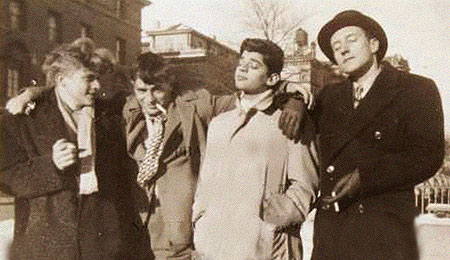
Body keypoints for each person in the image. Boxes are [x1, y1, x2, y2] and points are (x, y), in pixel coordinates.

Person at [5, 49, 307, 259]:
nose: (149, 99)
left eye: (157, 90)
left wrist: (293, 94)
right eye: (142, 90)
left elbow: (247, 98)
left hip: (173, 235)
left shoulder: (196, 106)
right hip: (129, 229)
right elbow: (66, 91)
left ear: (170, 88)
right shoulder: (121, 109)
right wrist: (32, 92)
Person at [304, 10, 445, 260]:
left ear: (373, 44)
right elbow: (301, 135)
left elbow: (427, 156)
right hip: (332, 235)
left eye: (351, 40)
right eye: (336, 47)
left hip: (385, 235)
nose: (343, 50)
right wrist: (293, 98)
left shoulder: (416, 89)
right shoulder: (328, 97)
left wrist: (366, 177)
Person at [0, 38, 146, 260]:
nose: (97, 86)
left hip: (102, 245)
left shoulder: (111, 117)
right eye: (88, 79)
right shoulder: (25, 117)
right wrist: (50, 166)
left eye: (97, 78)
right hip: (45, 247)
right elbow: (6, 176)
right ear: (62, 79)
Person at [192, 38, 319, 260]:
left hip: (266, 247)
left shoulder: (289, 121)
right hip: (214, 245)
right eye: (242, 62)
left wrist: (280, 217)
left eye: (254, 65)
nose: (242, 68)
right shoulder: (219, 123)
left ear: (272, 78)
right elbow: (206, 181)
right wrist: (201, 219)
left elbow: (305, 184)